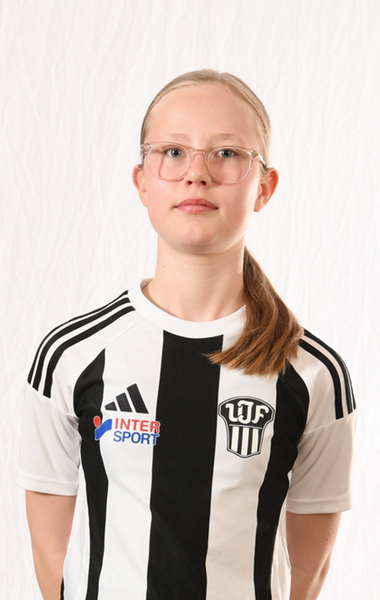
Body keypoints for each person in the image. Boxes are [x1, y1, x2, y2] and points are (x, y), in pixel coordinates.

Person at [17, 69, 356, 600]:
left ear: (264, 187)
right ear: (141, 182)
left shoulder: (313, 373)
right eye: (173, 152)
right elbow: (49, 553)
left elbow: (310, 572)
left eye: (226, 153)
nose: (197, 174)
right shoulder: (71, 356)